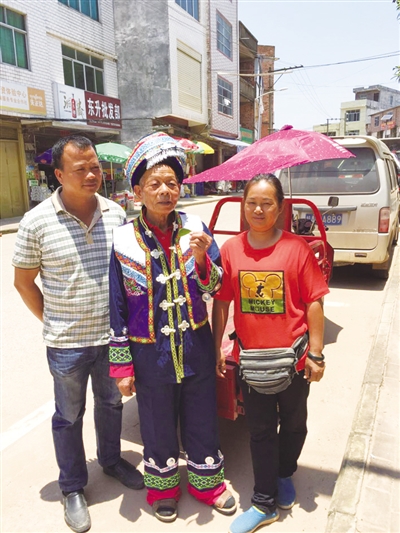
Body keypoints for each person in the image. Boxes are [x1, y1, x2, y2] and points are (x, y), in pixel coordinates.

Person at [12, 135, 144, 533]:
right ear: (58, 174)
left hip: (112, 339)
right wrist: (52, 320)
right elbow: (23, 283)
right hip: (66, 344)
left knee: (111, 404)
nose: (91, 175)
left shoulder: (116, 214)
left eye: (95, 167)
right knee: (69, 416)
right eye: (80, 169)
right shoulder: (36, 222)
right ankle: (72, 486)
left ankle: (111, 460)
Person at [108, 132, 237, 523]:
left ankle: (207, 485)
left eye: (172, 183)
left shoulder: (196, 227)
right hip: (149, 352)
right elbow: (116, 305)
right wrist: (122, 366)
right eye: (155, 184)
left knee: (202, 416)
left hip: (195, 343)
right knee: (155, 420)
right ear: (137, 192)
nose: (166, 191)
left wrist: (202, 259)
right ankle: (162, 489)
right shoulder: (122, 240)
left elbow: (217, 287)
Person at [212, 174, 329, 533]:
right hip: (252, 362)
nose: (258, 210)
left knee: (294, 424)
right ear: (243, 206)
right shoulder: (231, 250)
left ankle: (284, 473)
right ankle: (264, 503)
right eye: (252, 203)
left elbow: (314, 302)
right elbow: (222, 302)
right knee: (260, 430)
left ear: (280, 208)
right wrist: (217, 347)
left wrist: (316, 353)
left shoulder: (297, 248)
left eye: (266, 203)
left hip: (294, 360)